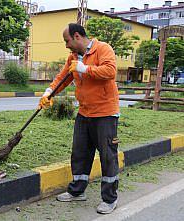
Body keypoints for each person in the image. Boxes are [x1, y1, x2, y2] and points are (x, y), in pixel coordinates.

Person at [39, 23, 120, 214]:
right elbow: (62, 78)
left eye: (67, 41)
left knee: (108, 156)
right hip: (84, 112)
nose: (66, 45)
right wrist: (48, 93)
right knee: (80, 152)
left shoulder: (103, 49)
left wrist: (85, 68)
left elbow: (110, 72)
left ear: (77, 36)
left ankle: (109, 199)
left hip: (105, 113)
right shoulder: (73, 58)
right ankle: (77, 191)